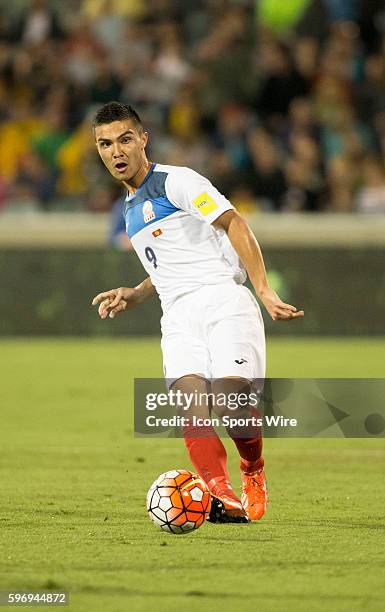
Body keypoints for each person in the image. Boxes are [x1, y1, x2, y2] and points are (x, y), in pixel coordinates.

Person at [91, 101, 304, 523]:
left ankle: (253, 470)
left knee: (230, 402)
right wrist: (135, 293)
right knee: (191, 406)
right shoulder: (130, 210)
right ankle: (222, 496)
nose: (116, 151)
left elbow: (234, 223)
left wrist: (263, 288)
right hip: (177, 317)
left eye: (125, 139)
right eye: (105, 144)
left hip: (224, 301)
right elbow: (170, 270)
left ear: (143, 139)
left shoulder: (176, 181)